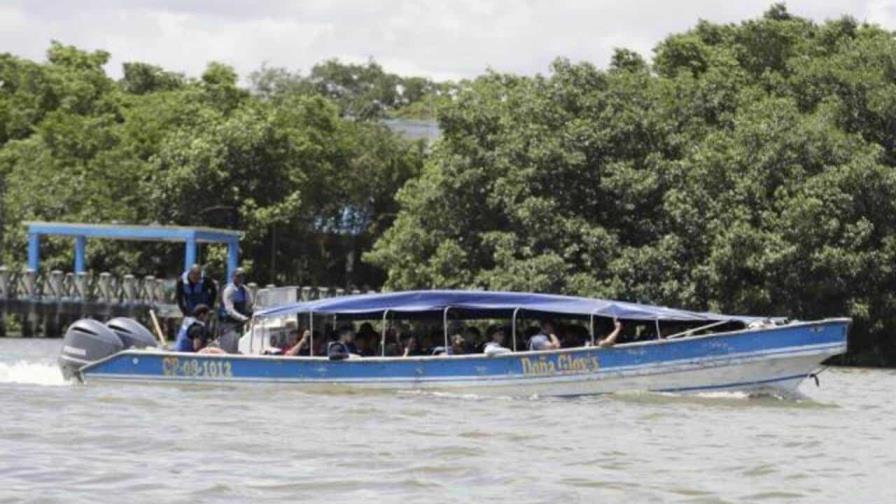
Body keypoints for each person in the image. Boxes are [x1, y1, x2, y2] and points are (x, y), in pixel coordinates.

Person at [219, 267, 253, 351]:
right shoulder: (229, 290)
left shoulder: (245, 290)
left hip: (239, 325)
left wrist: (251, 314)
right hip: (228, 324)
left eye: (242, 276)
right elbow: (229, 310)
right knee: (227, 349)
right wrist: (243, 318)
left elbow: (250, 305)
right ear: (233, 277)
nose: (240, 278)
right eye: (238, 276)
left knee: (237, 349)